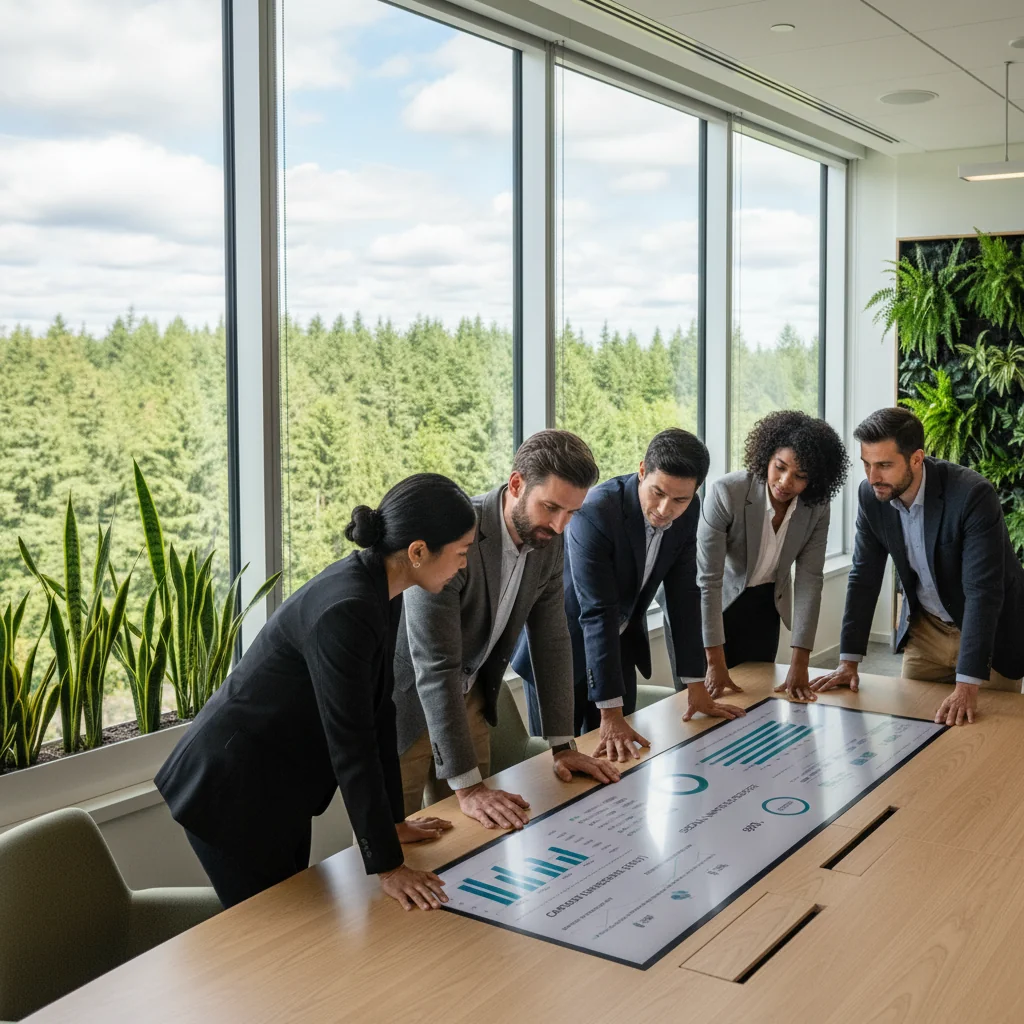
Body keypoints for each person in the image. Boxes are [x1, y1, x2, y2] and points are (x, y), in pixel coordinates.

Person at [155, 474, 478, 911]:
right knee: (277, 938)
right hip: (229, 790)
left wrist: (394, 824)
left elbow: (380, 711)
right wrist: (388, 866)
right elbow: (352, 744)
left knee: (295, 928)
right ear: (418, 551)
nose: (464, 565)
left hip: (275, 787)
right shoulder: (348, 606)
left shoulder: (383, 589)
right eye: (461, 553)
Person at [396, 430, 621, 830]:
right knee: (397, 840)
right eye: (550, 507)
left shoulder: (550, 540)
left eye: (571, 513)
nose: (559, 525)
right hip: (405, 698)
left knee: (478, 831)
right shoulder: (455, 533)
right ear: (516, 484)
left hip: (468, 695)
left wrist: (562, 745)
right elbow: (435, 665)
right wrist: (467, 788)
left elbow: (552, 640)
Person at [513, 428, 745, 763]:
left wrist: (696, 686)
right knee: (560, 766)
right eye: (658, 493)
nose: (666, 509)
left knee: (623, 761)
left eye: (680, 499)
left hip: (618, 646)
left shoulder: (689, 510)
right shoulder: (596, 511)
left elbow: (683, 597)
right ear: (641, 470)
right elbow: (597, 611)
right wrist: (609, 714)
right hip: (560, 648)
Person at [812, 407, 1024, 724]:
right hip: (927, 632)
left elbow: (983, 591)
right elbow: (863, 577)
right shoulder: (872, 496)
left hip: (988, 634)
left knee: (989, 740)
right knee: (910, 727)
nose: (873, 478)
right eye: (867, 464)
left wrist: (967, 686)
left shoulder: (972, 495)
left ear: (916, 458)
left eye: (884, 465)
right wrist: (848, 662)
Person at [698, 411, 849, 703]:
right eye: (779, 467)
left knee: (755, 700)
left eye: (800, 476)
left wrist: (800, 663)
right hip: (707, 603)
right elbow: (708, 581)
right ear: (766, 456)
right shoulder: (727, 493)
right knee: (706, 704)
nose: (785, 481)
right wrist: (715, 661)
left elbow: (809, 580)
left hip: (763, 603)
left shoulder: (816, 507)